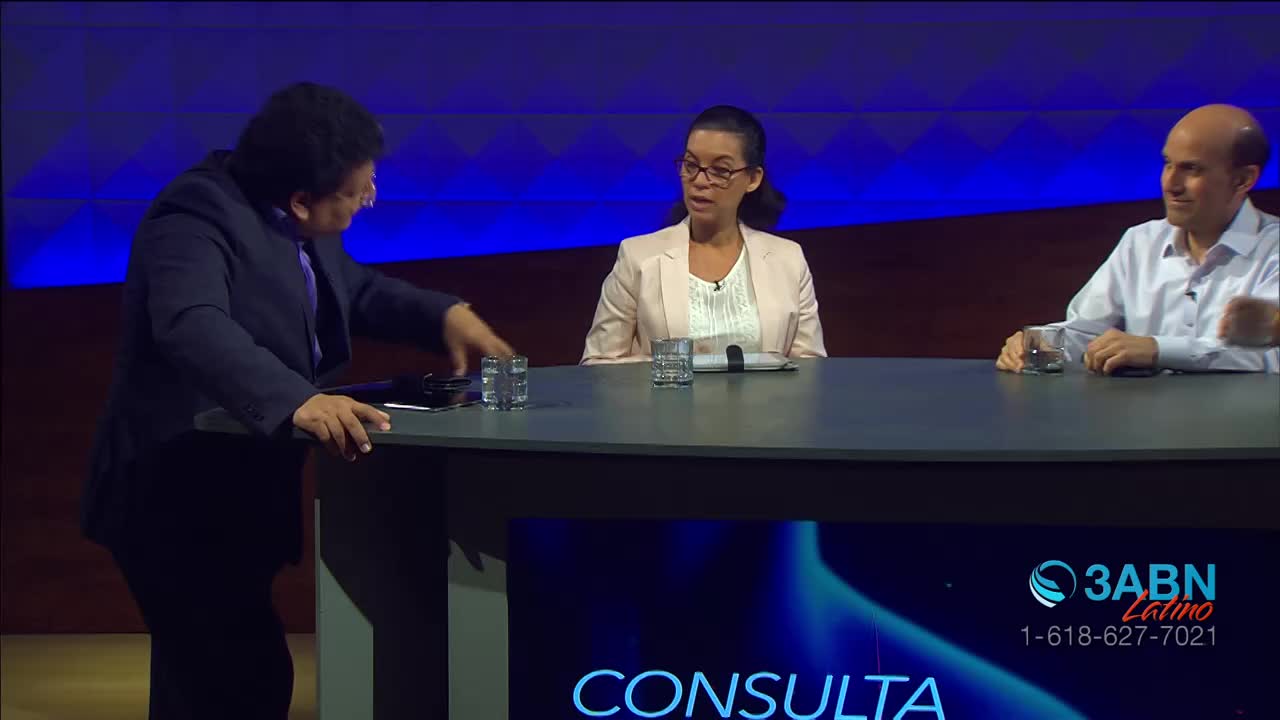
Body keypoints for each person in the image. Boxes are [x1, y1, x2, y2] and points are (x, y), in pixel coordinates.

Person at [82, 82, 513, 719]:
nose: (369, 199)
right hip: (173, 497)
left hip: (234, 494)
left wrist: (441, 314)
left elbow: (350, 290)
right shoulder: (194, 215)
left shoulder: (296, 217)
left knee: (220, 682)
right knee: (234, 682)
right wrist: (295, 400)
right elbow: (191, 322)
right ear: (302, 200)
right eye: (358, 192)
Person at [995, 104, 1279, 374]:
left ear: (1243, 179)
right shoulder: (1140, 242)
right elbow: (1087, 330)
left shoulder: (1273, 248)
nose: (1170, 184)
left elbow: (1268, 354)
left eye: (1192, 169)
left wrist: (1158, 350)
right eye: (1168, 164)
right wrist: (1038, 345)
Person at [580, 105, 826, 364]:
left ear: (753, 179)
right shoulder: (638, 257)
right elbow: (597, 365)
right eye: (691, 165)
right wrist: (667, 372)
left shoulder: (788, 259)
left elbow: (811, 367)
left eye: (720, 170)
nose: (699, 181)